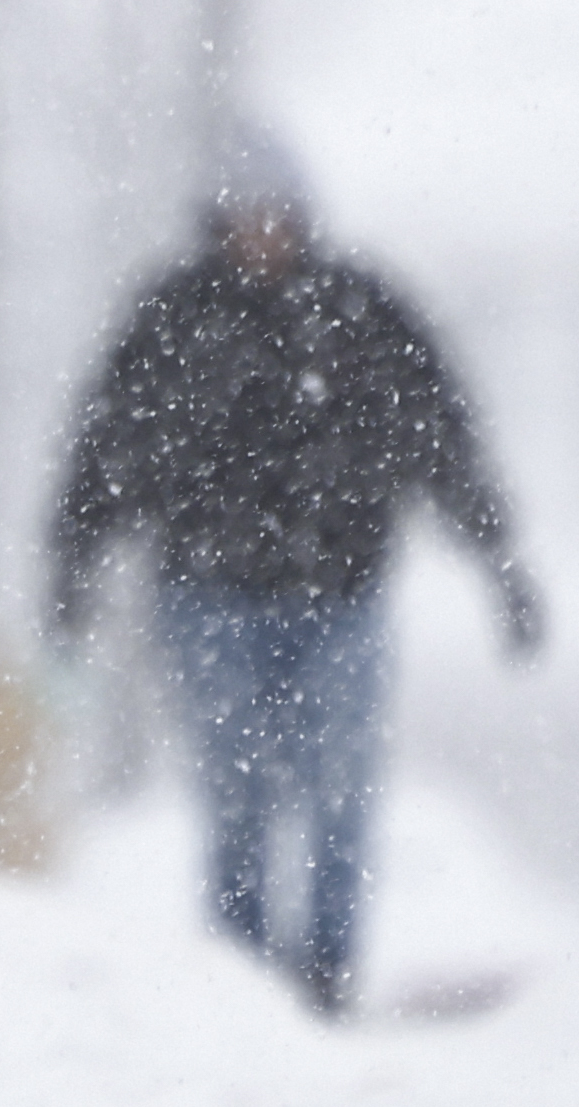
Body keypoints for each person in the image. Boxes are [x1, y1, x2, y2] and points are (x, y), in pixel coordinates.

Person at [44, 129, 540, 1015]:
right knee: (236, 795)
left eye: (278, 216)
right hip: (207, 598)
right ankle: (240, 988)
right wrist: (72, 570)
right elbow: (106, 451)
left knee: (340, 790)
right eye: (246, 217)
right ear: (217, 221)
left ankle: (326, 979)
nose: (263, 234)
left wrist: (499, 558)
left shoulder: (366, 313)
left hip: (342, 596)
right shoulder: (171, 318)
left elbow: (441, 437)